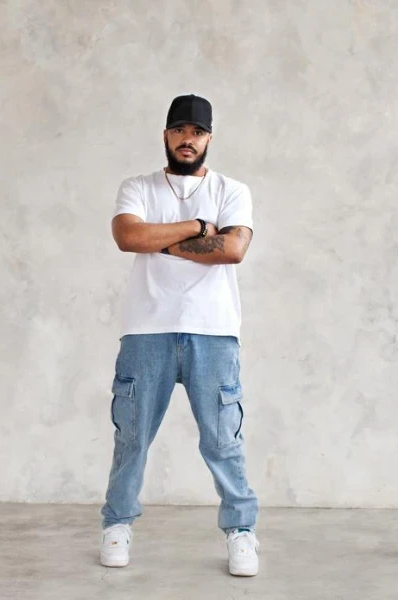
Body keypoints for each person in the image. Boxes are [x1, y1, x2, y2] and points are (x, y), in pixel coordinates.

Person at [99, 94, 260, 577]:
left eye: (196, 132)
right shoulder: (138, 187)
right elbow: (128, 237)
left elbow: (232, 249)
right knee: (132, 435)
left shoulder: (233, 190)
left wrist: (161, 239)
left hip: (213, 330)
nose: (187, 139)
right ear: (165, 135)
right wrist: (195, 228)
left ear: (209, 138)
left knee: (222, 439)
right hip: (147, 328)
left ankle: (241, 531)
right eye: (178, 130)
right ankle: (116, 523)